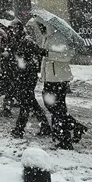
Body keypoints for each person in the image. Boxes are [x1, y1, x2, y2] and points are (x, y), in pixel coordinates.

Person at [29, 18, 86, 150]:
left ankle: (66, 137)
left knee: (55, 108)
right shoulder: (47, 37)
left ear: (46, 25)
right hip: (50, 78)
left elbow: (67, 55)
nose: (39, 28)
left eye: (40, 25)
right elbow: (46, 59)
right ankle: (63, 133)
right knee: (58, 109)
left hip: (58, 78)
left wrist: (46, 53)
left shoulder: (58, 37)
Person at [8, 21, 51, 138]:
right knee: (31, 102)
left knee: (25, 103)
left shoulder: (27, 41)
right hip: (21, 75)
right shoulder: (16, 41)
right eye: (12, 29)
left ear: (20, 29)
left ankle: (19, 129)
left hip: (28, 76)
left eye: (15, 29)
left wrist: (47, 53)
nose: (13, 31)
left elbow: (39, 52)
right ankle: (45, 126)